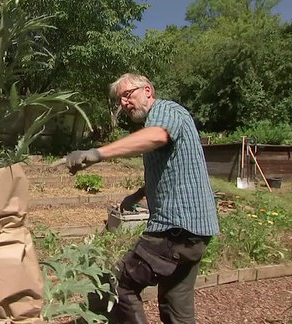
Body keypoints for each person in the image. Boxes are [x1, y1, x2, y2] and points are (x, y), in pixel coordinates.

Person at [64, 73, 219, 323]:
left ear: (148, 90)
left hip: (174, 229)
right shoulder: (162, 121)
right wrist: (137, 195)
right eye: (120, 100)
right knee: (175, 304)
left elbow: (157, 135)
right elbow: (171, 169)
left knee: (119, 286)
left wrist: (96, 153)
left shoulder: (166, 110)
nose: (124, 103)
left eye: (128, 94)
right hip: (195, 232)